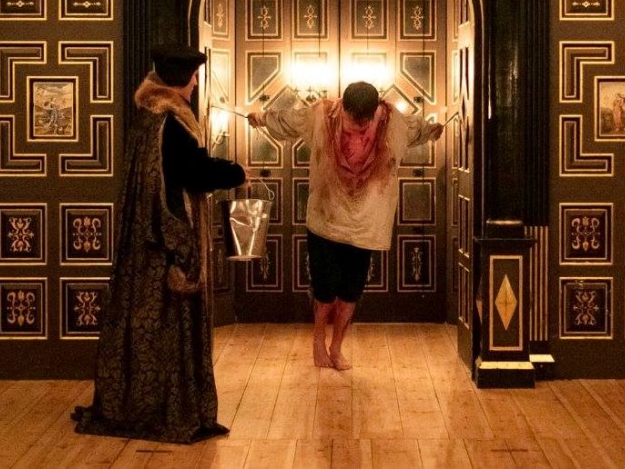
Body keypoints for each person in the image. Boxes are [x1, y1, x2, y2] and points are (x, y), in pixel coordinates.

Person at [73, 43, 246, 444]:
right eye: (195, 76)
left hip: (142, 244)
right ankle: (168, 407)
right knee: (169, 326)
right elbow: (193, 173)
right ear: (184, 78)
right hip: (166, 242)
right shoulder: (171, 122)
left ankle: (139, 401)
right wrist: (236, 172)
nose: (197, 82)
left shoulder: (148, 117)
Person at [247, 81, 442, 370]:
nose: (360, 125)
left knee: (351, 291)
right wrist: (261, 117)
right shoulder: (322, 115)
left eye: (365, 120)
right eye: (354, 118)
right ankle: (318, 342)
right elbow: (289, 121)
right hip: (325, 219)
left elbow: (418, 129)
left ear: (375, 110)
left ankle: (336, 347)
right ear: (343, 108)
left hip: (365, 224)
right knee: (324, 290)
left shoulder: (392, 121)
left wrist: (433, 129)